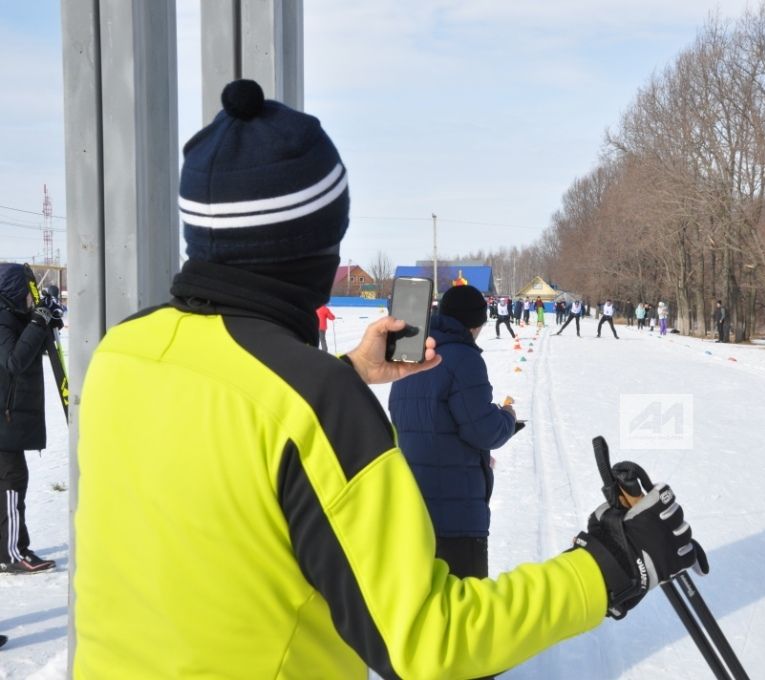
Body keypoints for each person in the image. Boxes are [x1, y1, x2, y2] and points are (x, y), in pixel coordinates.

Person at [74, 80, 707, 679]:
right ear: (317, 244)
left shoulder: (123, 353)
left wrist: (343, 372)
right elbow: (429, 640)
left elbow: (228, 445)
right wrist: (608, 566)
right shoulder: (316, 407)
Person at [388, 285, 515, 594]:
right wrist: (508, 417)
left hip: (413, 506)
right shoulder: (463, 358)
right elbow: (484, 429)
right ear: (475, 325)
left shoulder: (412, 354)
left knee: (424, 603)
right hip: (456, 512)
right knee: (465, 608)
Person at [0, 263, 60, 575]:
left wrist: (47, 321)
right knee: (11, 484)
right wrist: (38, 323)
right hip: (3, 422)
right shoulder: (2, 320)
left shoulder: (14, 317)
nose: (29, 298)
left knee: (11, 484)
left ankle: (11, 549)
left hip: (8, 420)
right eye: (26, 292)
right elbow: (13, 361)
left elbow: (32, 345)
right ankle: (12, 553)